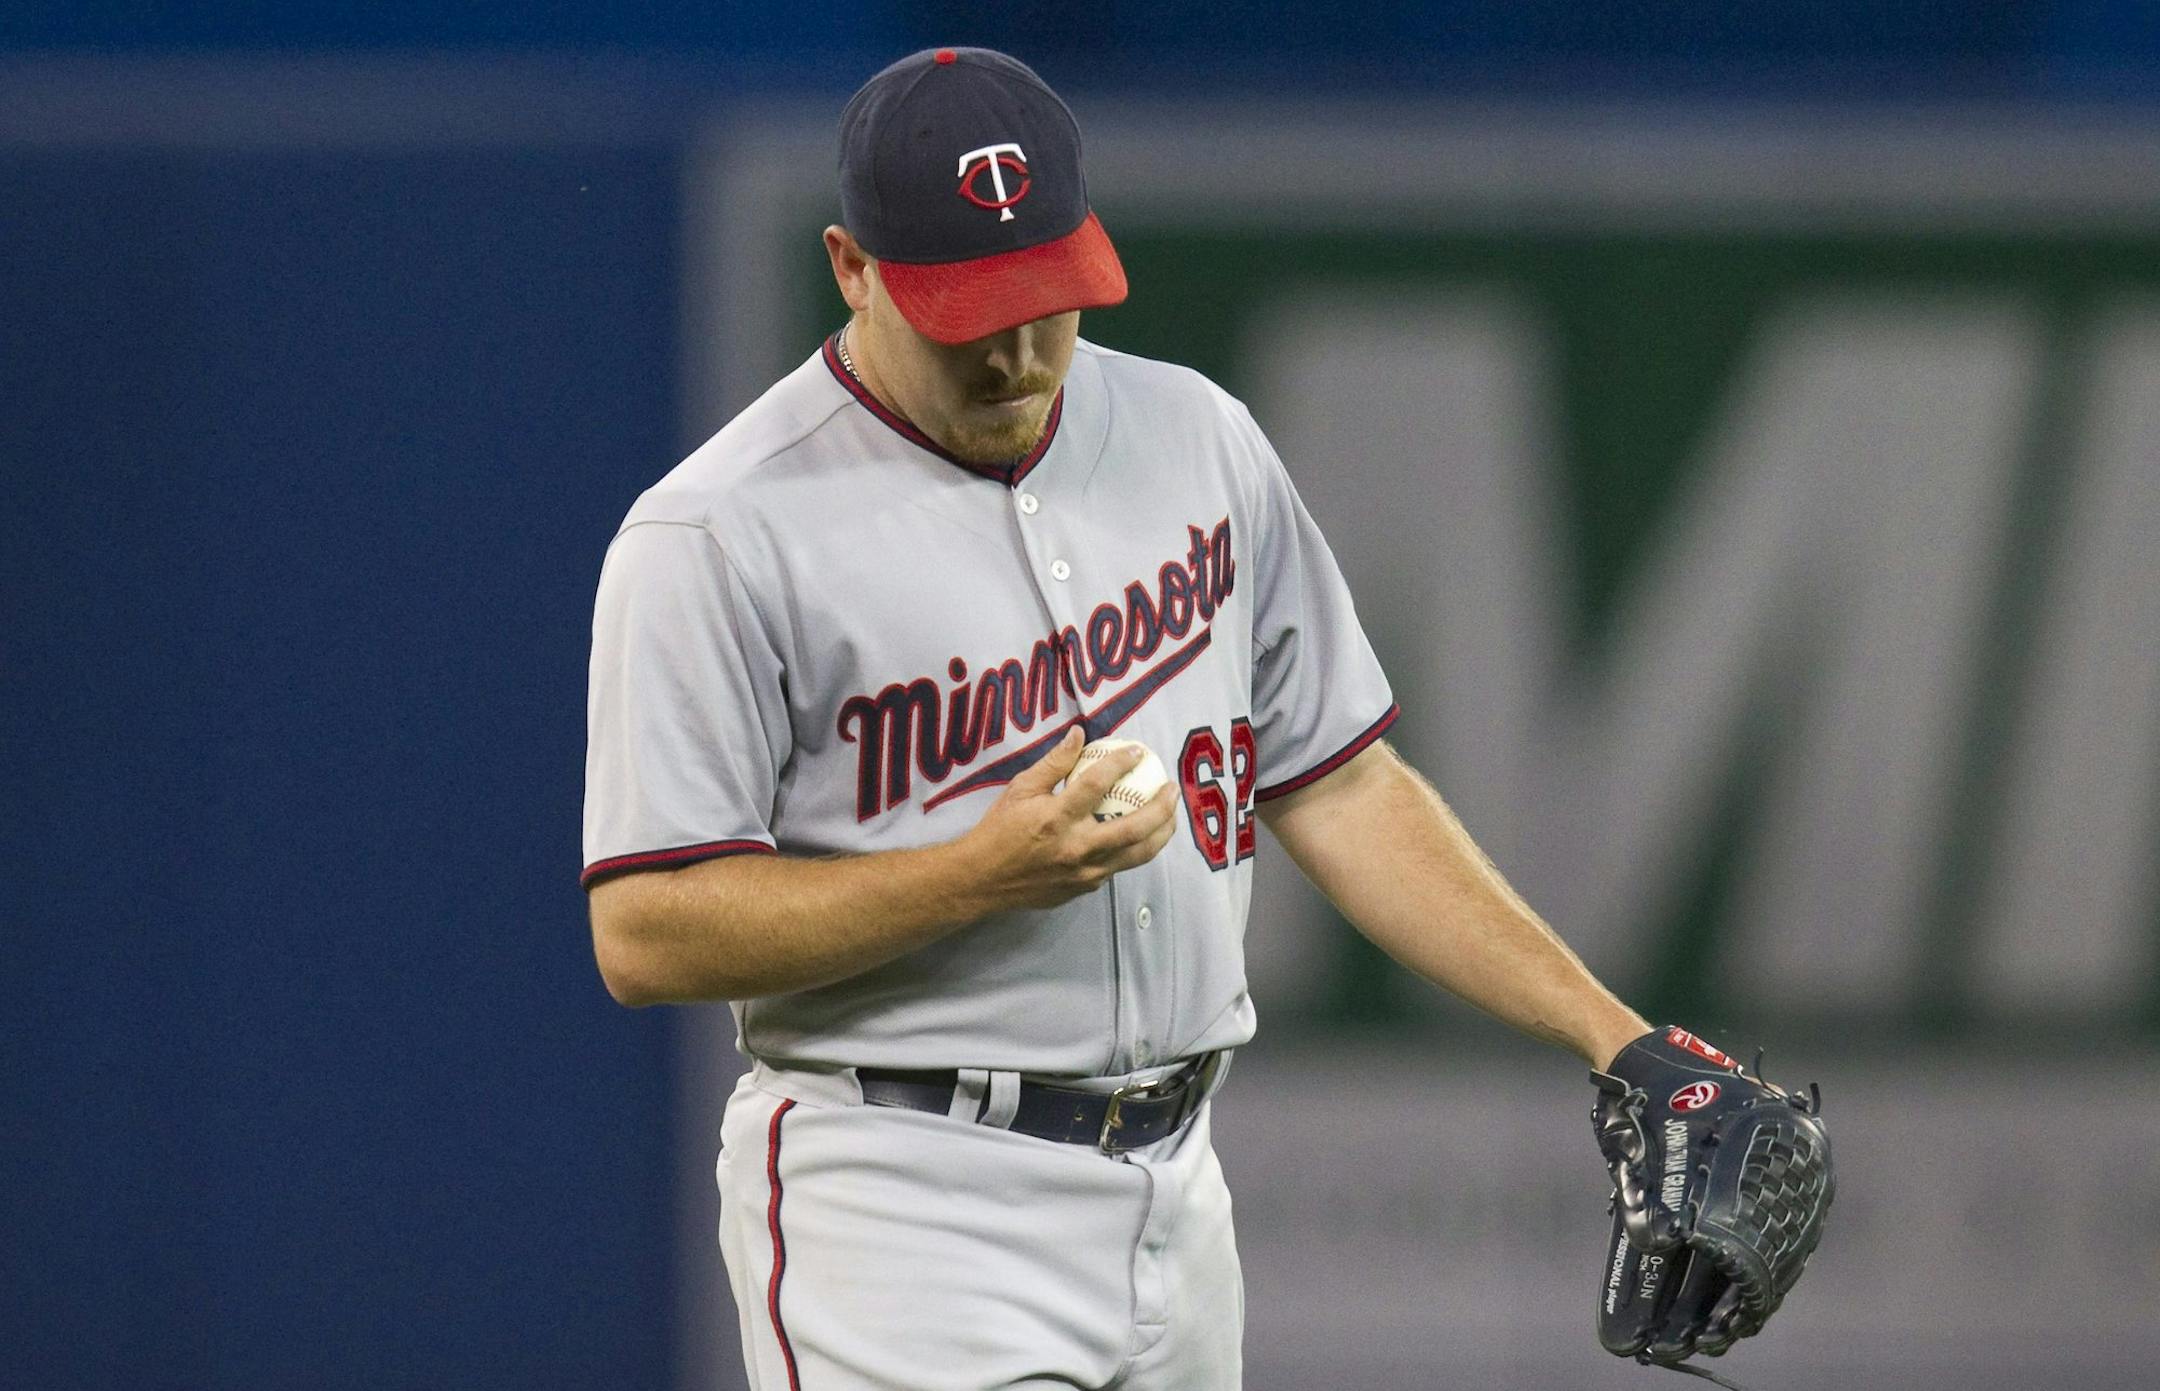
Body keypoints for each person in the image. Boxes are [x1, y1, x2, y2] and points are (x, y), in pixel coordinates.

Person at [583, 46, 1649, 1390]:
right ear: (853, 268)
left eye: (1047, 302)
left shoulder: (1195, 434)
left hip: (1178, 1194)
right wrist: (974, 876)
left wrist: (1615, 1038)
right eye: (966, 315)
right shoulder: (715, 533)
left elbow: (1342, 784)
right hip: (905, 1199)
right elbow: (645, 927)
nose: (1020, 355)